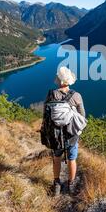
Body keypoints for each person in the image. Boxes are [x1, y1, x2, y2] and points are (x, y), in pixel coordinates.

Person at [44, 67, 85, 196]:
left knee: (56, 158)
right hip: (71, 135)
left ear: (59, 81)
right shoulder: (76, 96)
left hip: (55, 135)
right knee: (72, 159)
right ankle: (71, 184)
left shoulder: (51, 94)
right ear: (69, 81)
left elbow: (46, 114)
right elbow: (82, 116)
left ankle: (56, 185)